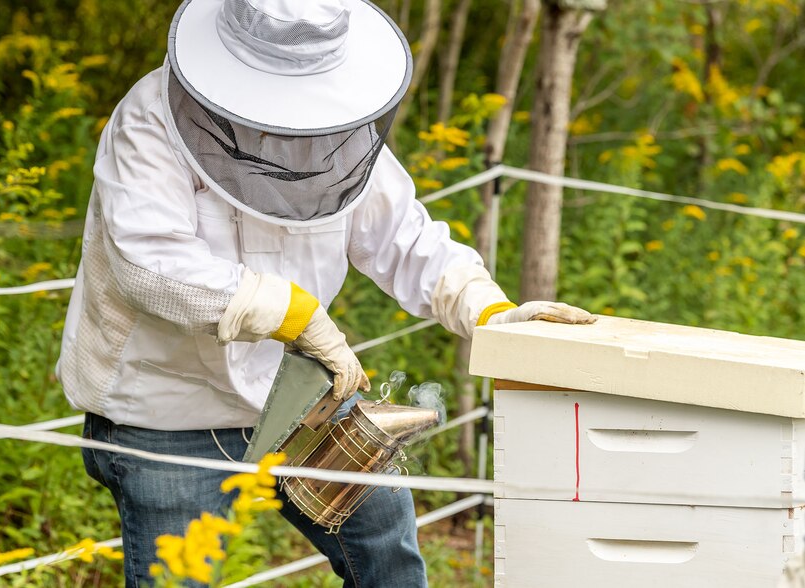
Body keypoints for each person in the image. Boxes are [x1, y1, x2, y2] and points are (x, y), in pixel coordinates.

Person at [57, 0, 596, 586]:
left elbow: (404, 237)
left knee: (385, 549)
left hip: (297, 396)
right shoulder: (150, 120)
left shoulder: (338, 127)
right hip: (166, 405)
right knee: (180, 581)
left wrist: (487, 311)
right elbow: (151, 265)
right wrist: (296, 314)